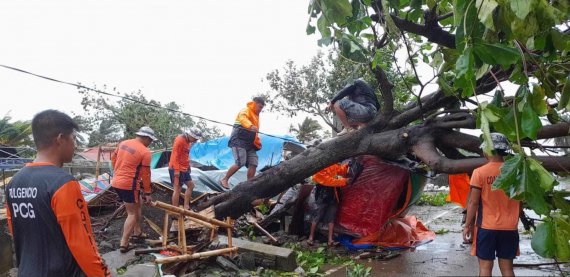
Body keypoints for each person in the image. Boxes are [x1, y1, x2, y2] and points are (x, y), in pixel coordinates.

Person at [4, 109, 109, 276]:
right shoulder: (63, 183)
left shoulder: (14, 182)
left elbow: (14, 229)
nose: (76, 145)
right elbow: (82, 244)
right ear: (60, 139)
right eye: (73, 139)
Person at [463, 133, 520, 277]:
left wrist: (468, 225)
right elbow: (521, 201)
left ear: (488, 149)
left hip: (486, 228)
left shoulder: (480, 173)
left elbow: (473, 202)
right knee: (507, 269)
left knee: (485, 268)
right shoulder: (516, 172)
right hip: (510, 228)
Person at [111, 126, 155, 253]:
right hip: (129, 185)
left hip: (116, 182)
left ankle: (137, 232)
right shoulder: (145, 152)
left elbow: (113, 159)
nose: (150, 143)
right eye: (150, 140)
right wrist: (147, 192)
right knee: (132, 213)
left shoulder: (123, 143)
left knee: (138, 203)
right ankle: (124, 243)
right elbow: (146, 174)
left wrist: (118, 171)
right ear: (146, 138)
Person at [220, 96, 265, 189]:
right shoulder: (246, 110)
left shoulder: (256, 116)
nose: (261, 110)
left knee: (254, 162)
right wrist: (250, 125)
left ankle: (250, 184)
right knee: (241, 161)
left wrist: (257, 142)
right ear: (254, 104)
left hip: (250, 143)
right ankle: (225, 179)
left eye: (262, 108)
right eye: (260, 107)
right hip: (239, 139)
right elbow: (242, 119)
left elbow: (255, 132)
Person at [307, 162, 350, 247]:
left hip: (333, 196)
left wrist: (347, 165)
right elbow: (327, 181)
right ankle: (311, 237)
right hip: (323, 196)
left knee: (331, 218)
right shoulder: (319, 168)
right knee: (317, 216)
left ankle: (330, 240)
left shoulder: (332, 165)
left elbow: (340, 170)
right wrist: (344, 181)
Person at [168, 129, 202, 210]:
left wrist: (188, 166)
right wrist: (176, 170)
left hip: (184, 169)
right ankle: (175, 210)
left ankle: (186, 206)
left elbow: (185, 155)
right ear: (190, 135)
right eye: (195, 138)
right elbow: (175, 155)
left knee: (191, 185)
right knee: (177, 189)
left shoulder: (188, 142)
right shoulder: (180, 140)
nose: (196, 140)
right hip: (176, 168)